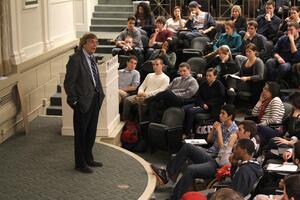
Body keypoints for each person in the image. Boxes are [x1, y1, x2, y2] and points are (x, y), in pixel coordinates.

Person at [150, 104, 238, 200]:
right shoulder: (222, 124)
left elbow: (223, 149)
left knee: (191, 168)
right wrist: (213, 130)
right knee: (187, 146)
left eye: (223, 113)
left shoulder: (234, 131)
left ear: (230, 116)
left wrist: (219, 131)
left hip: (218, 161)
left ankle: (174, 197)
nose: (220, 115)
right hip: (210, 154)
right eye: (220, 113)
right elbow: (209, 140)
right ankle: (167, 175)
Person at [64, 33, 105, 173]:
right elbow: (69, 83)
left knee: (91, 133)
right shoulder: (75, 60)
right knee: (81, 135)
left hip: (95, 100)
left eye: (96, 42)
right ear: (84, 44)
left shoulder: (92, 58)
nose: (95, 45)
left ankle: (89, 158)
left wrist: (100, 93)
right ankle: (80, 164)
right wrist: (74, 101)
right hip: (82, 103)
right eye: (92, 42)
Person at [182, 68, 225, 137]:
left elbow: (220, 99)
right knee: (184, 108)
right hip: (201, 104)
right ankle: (182, 129)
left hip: (211, 107)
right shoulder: (203, 84)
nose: (208, 77)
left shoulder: (219, 85)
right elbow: (198, 96)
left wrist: (207, 104)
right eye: (207, 75)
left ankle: (187, 132)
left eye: (210, 76)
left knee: (191, 111)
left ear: (215, 76)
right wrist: (202, 104)